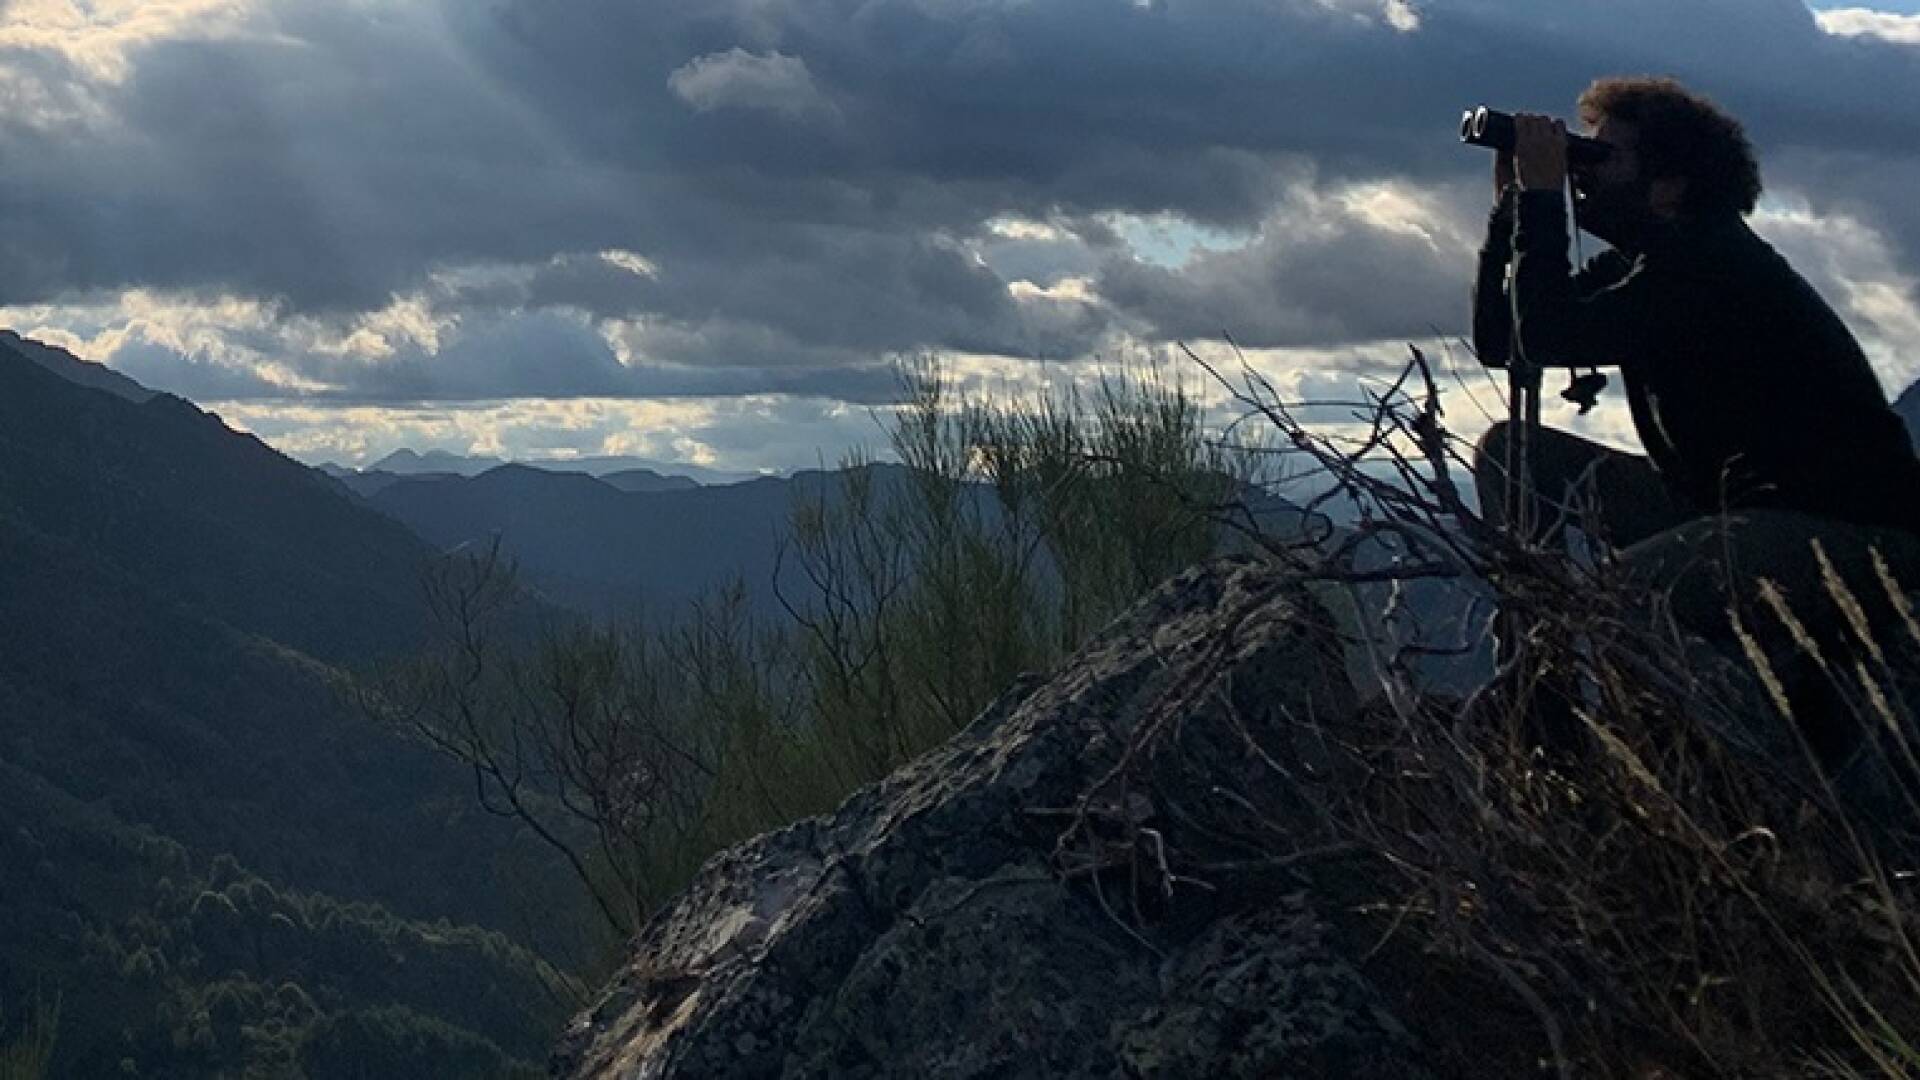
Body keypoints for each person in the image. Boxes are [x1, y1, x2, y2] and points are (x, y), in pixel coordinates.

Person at [1469, 75, 1920, 765]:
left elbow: (1552, 334)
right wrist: (1512, 214)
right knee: (1513, 450)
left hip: (1847, 529)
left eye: (1603, 158)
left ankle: (1679, 777)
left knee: (1620, 594)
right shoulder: (1655, 261)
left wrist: (1540, 199)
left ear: (1669, 185)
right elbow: (1508, 343)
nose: (1581, 175)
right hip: (1722, 506)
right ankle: (1542, 707)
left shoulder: (1710, 268)